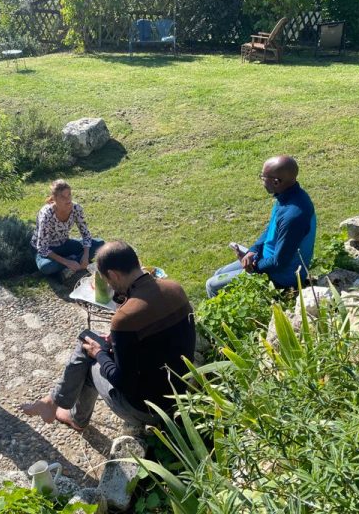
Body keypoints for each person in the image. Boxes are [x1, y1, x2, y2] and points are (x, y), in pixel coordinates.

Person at [21, 241, 196, 431]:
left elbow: (122, 381)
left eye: (108, 280)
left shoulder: (126, 318)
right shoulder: (176, 289)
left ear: (113, 274)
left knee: (87, 357)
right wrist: (118, 344)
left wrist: (99, 354)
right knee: (88, 339)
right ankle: (53, 403)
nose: (110, 285)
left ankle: (73, 416)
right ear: (137, 262)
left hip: (148, 409)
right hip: (178, 391)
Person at [205, 155, 316, 298]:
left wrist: (253, 266)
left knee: (212, 285)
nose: (262, 181)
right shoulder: (287, 196)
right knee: (219, 274)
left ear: (276, 182)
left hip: (280, 278)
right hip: (264, 259)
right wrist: (253, 250)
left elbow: (279, 262)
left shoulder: (293, 215)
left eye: (263, 177)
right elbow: (271, 229)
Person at [31, 179, 105, 277]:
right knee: (46, 267)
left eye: (69, 195)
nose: (68, 199)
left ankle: (72, 263)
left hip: (64, 243)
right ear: (54, 198)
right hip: (47, 250)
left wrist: (86, 255)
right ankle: (71, 261)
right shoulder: (46, 214)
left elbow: (86, 234)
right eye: (63, 197)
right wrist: (67, 262)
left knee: (100, 244)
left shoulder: (76, 208)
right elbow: (42, 247)